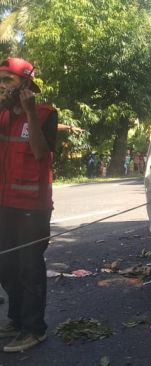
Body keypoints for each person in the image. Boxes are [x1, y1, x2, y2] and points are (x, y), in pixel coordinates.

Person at [0, 57, 58, 352]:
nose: (2, 86)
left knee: (28, 267)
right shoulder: (0, 116)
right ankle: (16, 319)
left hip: (33, 208)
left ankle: (34, 329)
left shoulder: (47, 115)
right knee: (6, 266)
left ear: (25, 83)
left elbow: (39, 153)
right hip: (4, 204)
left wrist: (30, 114)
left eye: (7, 80)